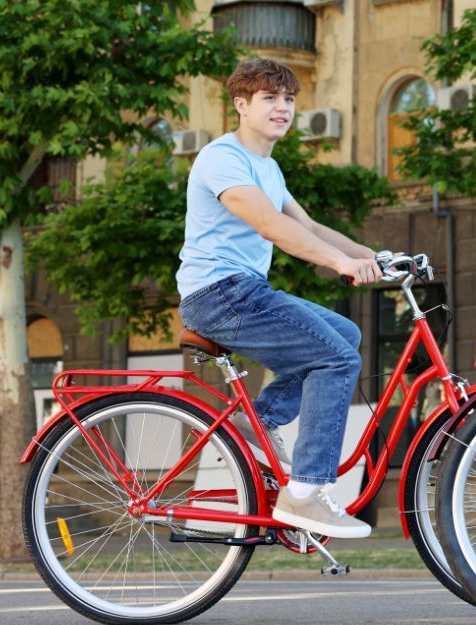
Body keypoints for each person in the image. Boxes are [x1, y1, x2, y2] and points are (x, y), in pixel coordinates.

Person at [177, 58, 382, 538]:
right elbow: (271, 225)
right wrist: (339, 263)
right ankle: (305, 494)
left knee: (344, 334)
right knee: (336, 359)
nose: (282, 108)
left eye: (288, 99)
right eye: (269, 98)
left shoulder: (268, 168)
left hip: (244, 291)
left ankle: (259, 422)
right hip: (220, 294)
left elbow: (307, 226)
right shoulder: (222, 158)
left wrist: (375, 257)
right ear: (241, 105)